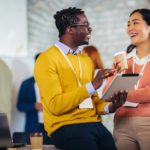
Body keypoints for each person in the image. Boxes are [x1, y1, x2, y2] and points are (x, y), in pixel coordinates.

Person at [34, 7, 126, 150]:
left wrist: (112, 106)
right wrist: (92, 85)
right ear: (70, 29)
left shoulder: (86, 60)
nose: (90, 29)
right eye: (85, 25)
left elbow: (93, 101)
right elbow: (55, 105)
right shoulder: (46, 59)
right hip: (66, 126)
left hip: (94, 124)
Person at [106, 8, 150, 150]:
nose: (130, 28)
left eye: (135, 23)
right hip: (122, 124)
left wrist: (122, 93)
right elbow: (107, 92)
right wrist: (139, 93)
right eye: (128, 24)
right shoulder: (122, 58)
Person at [17, 53, 53, 144]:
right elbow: (20, 106)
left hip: (52, 128)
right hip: (33, 128)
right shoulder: (27, 83)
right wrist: (34, 106)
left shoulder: (55, 83)